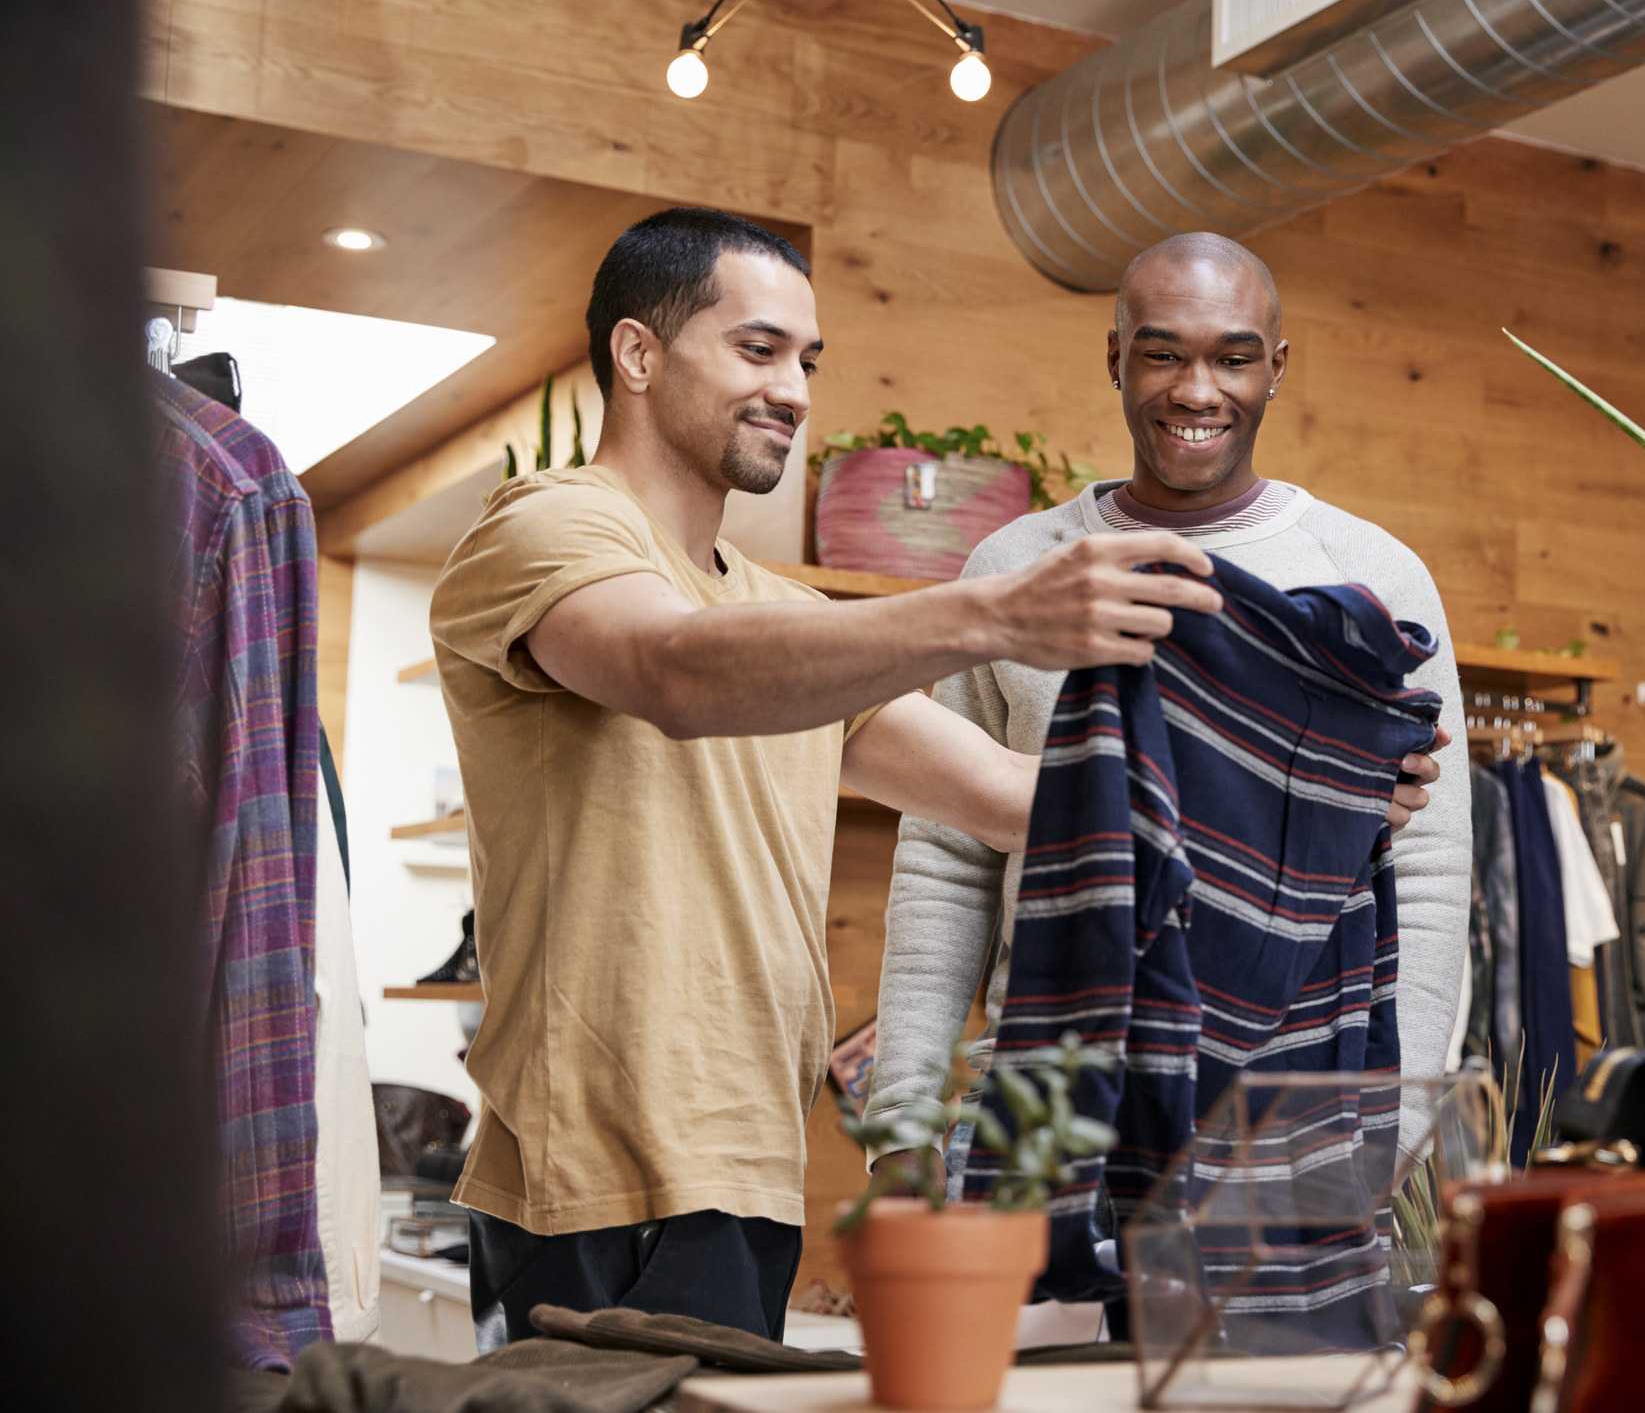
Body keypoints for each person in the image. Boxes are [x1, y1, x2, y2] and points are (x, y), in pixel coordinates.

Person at [427, 208, 1226, 1346]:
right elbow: (671, 668)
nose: (795, 390)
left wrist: (1306, 790)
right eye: (757, 349)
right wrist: (987, 613)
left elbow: (1018, 801)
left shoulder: (788, 622)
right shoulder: (547, 527)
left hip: (749, 1178)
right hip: (587, 1189)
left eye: (807, 361)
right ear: (639, 355)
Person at [866, 233, 1469, 1204]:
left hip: (1286, 1118)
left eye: (1233, 357)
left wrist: (1391, 1132)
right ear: (1115, 358)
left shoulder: (1371, 583)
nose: (1198, 389)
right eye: (1162, 353)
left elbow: (1432, 876)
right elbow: (947, 855)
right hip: (1040, 1103)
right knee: (1024, 1362)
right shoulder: (1016, 572)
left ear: (1277, 368)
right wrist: (900, 1123)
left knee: (1255, 1367)